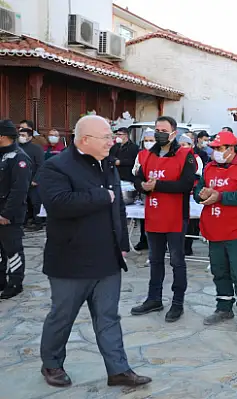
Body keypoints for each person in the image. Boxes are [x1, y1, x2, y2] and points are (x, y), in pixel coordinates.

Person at [38, 115, 151, 388]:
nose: (112, 141)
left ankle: (118, 370)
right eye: (106, 137)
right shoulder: (56, 166)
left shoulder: (107, 164)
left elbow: (118, 209)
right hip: (70, 260)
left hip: (107, 258)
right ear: (85, 139)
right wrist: (101, 196)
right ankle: (51, 364)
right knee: (62, 316)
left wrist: (122, 243)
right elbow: (58, 204)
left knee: (109, 317)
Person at [131, 116, 196, 323]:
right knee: (155, 260)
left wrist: (157, 185)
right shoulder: (147, 156)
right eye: (156, 129)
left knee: (177, 261)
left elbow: (186, 185)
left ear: (173, 133)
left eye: (163, 129)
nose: (158, 133)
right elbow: (138, 179)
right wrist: (143, 187)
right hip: (154, 215)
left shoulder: (186, 155)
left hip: (176, 217)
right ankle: (154, 298)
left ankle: (177, 302)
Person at [196, 131, 237, 331]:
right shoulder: (209, 168)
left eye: (219, 148)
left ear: (232, 149)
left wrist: (220, 197)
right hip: (214, 229)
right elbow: (198, 191)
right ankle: (224, 307)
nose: (215, 152)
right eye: (214, 148)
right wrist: (202, 194)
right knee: (219, 271)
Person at [0, 121, 31, 299]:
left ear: (3, 136)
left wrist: (6, 214)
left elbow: (19, 190)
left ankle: (15, 282)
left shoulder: (19, 158)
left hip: (9, 215)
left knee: (12, 250)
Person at [131, 130, 156, 252]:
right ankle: (143, 240)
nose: (148, 143)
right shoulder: (141, 154)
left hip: (158, 189)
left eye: (151, 140)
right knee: (144, 215)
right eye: (146, 141)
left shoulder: (160, 154)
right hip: (144, 188)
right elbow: (134, 169)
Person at [18, 127, 45, 232]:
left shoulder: (36, 149)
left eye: (23, 135)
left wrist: (36, 179)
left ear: (29, 137)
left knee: (35, 202)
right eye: (20, 135)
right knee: (22, 202)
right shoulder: (17, 147)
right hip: (20, 180)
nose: (21, 137)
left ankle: (38, 223)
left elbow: (41, 165)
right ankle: (23, 222)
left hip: (33, 180)